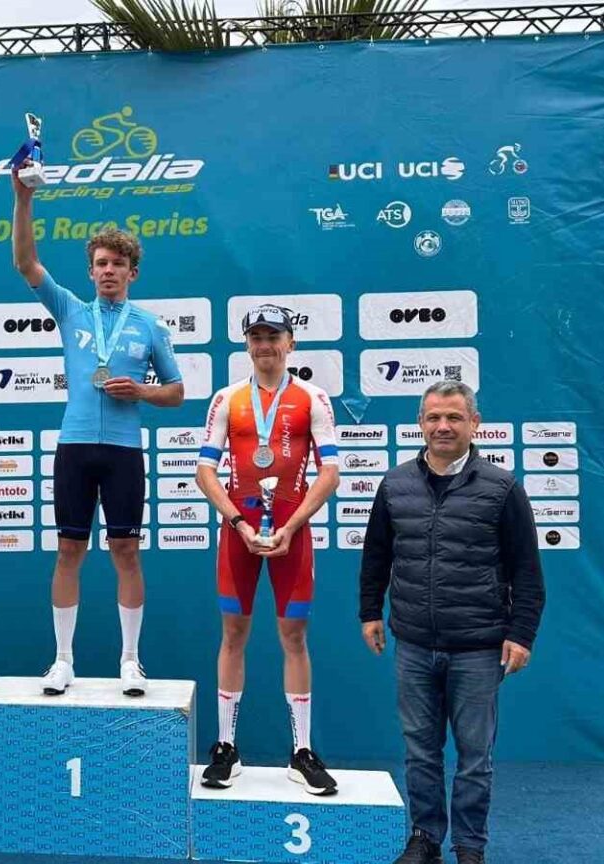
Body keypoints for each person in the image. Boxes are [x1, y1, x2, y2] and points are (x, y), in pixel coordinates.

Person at [11, 161, 184, 696]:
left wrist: (142, 392)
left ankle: (130, 660)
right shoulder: (70, 310)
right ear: (89, 272)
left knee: (126, 553)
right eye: (101, 263)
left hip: (124, 450)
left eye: (118, 264)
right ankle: (62, 660)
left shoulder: (149, 326)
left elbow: (176, 392)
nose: (109, 271)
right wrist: (23, 198)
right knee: (69, 551)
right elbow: (25, 262)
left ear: (133, 272)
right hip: (75, 446)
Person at [358, 380, 546, 864]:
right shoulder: (394, 485)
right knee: (420, 752)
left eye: (454, 417)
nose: (443, 426)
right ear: (421, 424)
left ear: (474, 423)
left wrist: (521, 634)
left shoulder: (503, 489)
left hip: (479, 649)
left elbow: (527, 572)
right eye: (434, 417)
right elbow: (376, 556)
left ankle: (469, 847)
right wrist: (369, 612)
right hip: (413, 645)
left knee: (475, 758)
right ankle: (425, 839)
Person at [195, 304, 342, 795]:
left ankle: (302, 752)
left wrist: (292, 526)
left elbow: (330, 473)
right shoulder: (227, 399)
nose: (265, 345)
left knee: (294, 637)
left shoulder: (312, 398)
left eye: (273, 337)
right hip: (237, 531)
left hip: (292, 533)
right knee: (233, 634)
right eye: (256, 337)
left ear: (290, 343)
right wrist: (237, 523)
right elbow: (205, 470)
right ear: (247, 344)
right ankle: (226, 747)